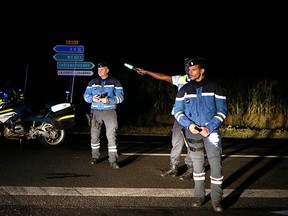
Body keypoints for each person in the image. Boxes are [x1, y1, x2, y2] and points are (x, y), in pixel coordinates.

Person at [174, 57, 228, 212]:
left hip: (211, 133)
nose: (190, 72)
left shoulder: (215, 87)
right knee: (197, 166)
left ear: (202, 70)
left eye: (193, 69)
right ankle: (199, 196)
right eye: (188, 70)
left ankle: (217, 200)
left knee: (216, 165)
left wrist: (209, 127)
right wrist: (189, 125)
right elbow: (177, 111)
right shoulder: (184, 89)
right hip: (193, 133)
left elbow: (222, 111)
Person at [135, 58, 195, 181]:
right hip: (180, 116)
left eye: (189, 66)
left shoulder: (202, 82)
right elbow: (162, 77)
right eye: (186, 66)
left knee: (192, 143)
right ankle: (174, 167)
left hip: (194, 117)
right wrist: (146, 72)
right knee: (176, 141)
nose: (187, 68)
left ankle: (191, 168)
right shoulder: (182, 79)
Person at [83, 61, 124, 169]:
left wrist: (109, 100)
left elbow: (121, 97)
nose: (100, 71)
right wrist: (92, 98)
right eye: (98, 69)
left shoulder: (115, 82)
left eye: (102, 69)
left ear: (107, 70)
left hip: (110, 112)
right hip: (95, 112)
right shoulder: (93, 82)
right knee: (94, 136)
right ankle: (94, 157)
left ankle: (113, 160)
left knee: (111, 136)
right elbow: (86, 95)